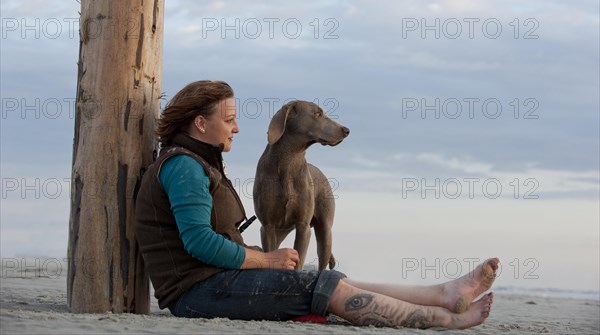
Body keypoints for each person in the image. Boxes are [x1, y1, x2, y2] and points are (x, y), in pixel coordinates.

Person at [135, 80, 498, 329]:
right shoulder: (183, 166)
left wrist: (256, 257)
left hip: (214, 283)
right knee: (327, 290)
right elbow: (198, 242)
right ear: (200, 123)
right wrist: (265, 258)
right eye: (228, 120)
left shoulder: (194, 162)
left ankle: (443, 294)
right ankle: (448, 320)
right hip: (199, 294)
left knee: (330, 279)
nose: (237, 128)